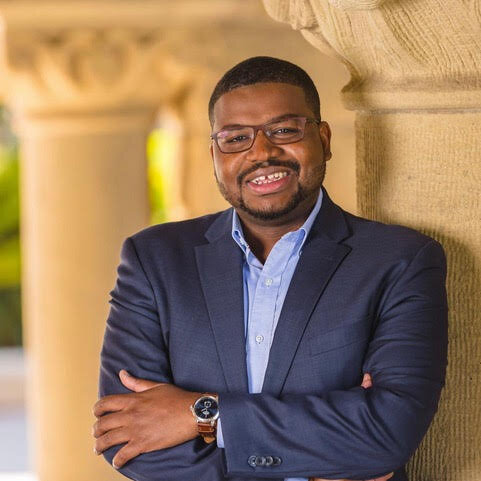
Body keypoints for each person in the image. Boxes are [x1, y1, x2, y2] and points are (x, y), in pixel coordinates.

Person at [92, 56, 448, 481]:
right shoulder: (155, 259)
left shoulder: (400, 259)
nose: (261, 152)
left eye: (284, 130)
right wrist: (321, 460)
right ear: (214, 155)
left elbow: (388, 432)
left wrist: (200, 415)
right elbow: (124, 435)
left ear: (324, 138)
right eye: (235, 137)